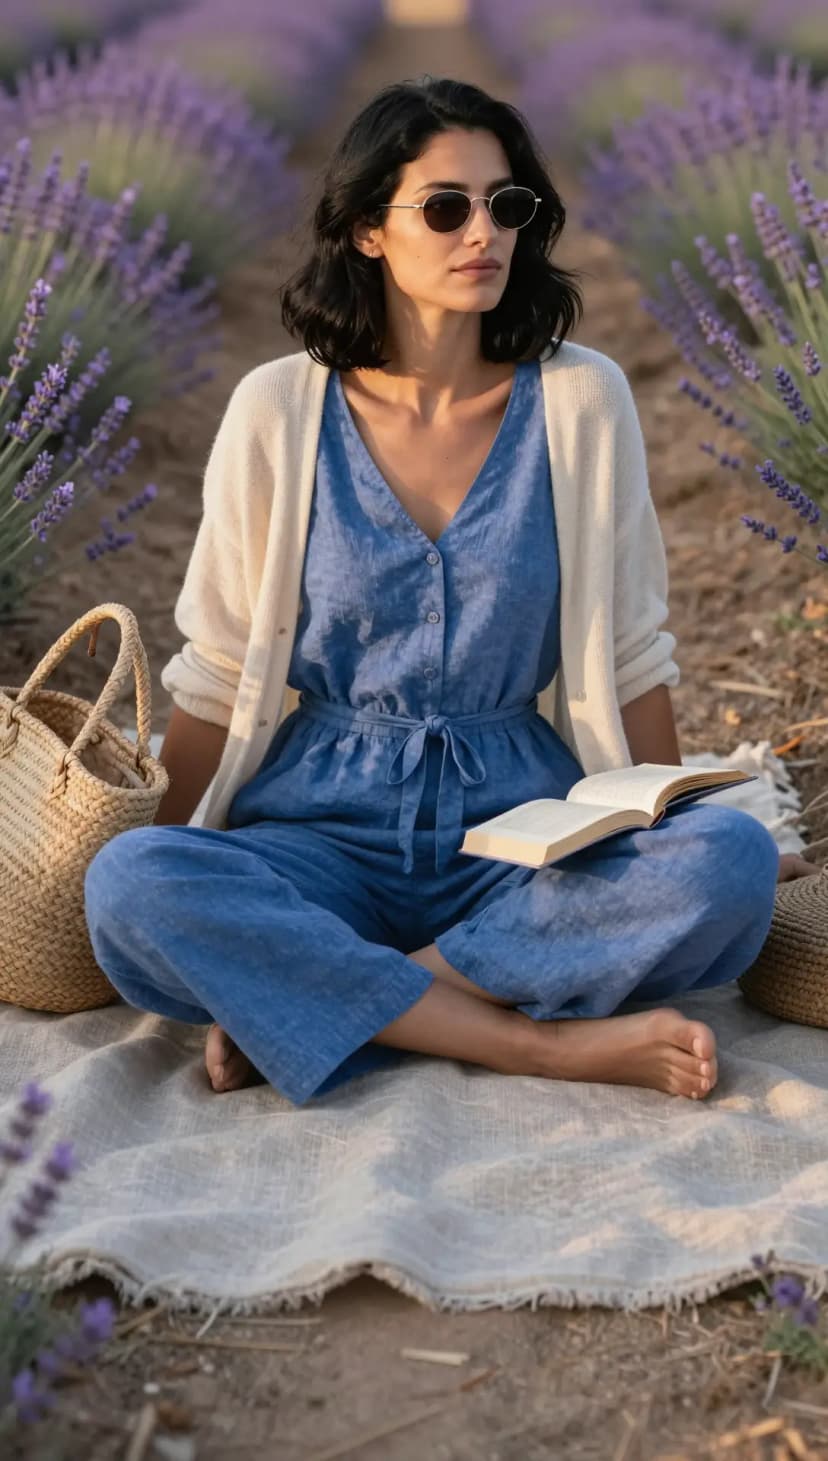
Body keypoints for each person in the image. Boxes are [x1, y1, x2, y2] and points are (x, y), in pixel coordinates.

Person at [83, 76, 814, 1111]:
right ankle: (540, 1045)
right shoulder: (277, 412)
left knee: (725, 865)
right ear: (368, 229)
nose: (485, 231)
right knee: (132, 888)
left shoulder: (580, 403)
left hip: (518, 839)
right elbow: (216, 672)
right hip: (314, 840)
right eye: (445, 206)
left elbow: (632, 654)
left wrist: (675, 819)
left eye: (506, 205)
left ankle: (336, 1005)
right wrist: (141, 836)